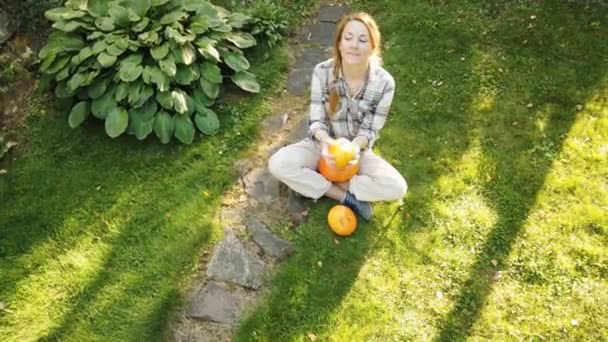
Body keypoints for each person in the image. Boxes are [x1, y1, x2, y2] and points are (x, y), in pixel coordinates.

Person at [268, 12, 407, 221]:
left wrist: (352, 149)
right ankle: (343, 196)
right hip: (321, 146)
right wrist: (327, 145)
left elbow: (371, 130)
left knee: (398, 188)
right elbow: (316, 121)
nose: (354, 45)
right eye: (348, 38)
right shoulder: (322, 72)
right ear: (340, 44)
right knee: (278, 164)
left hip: (357, 152)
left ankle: (329, 181)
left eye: (362, 40)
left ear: (372, 47)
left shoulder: (385, 83)